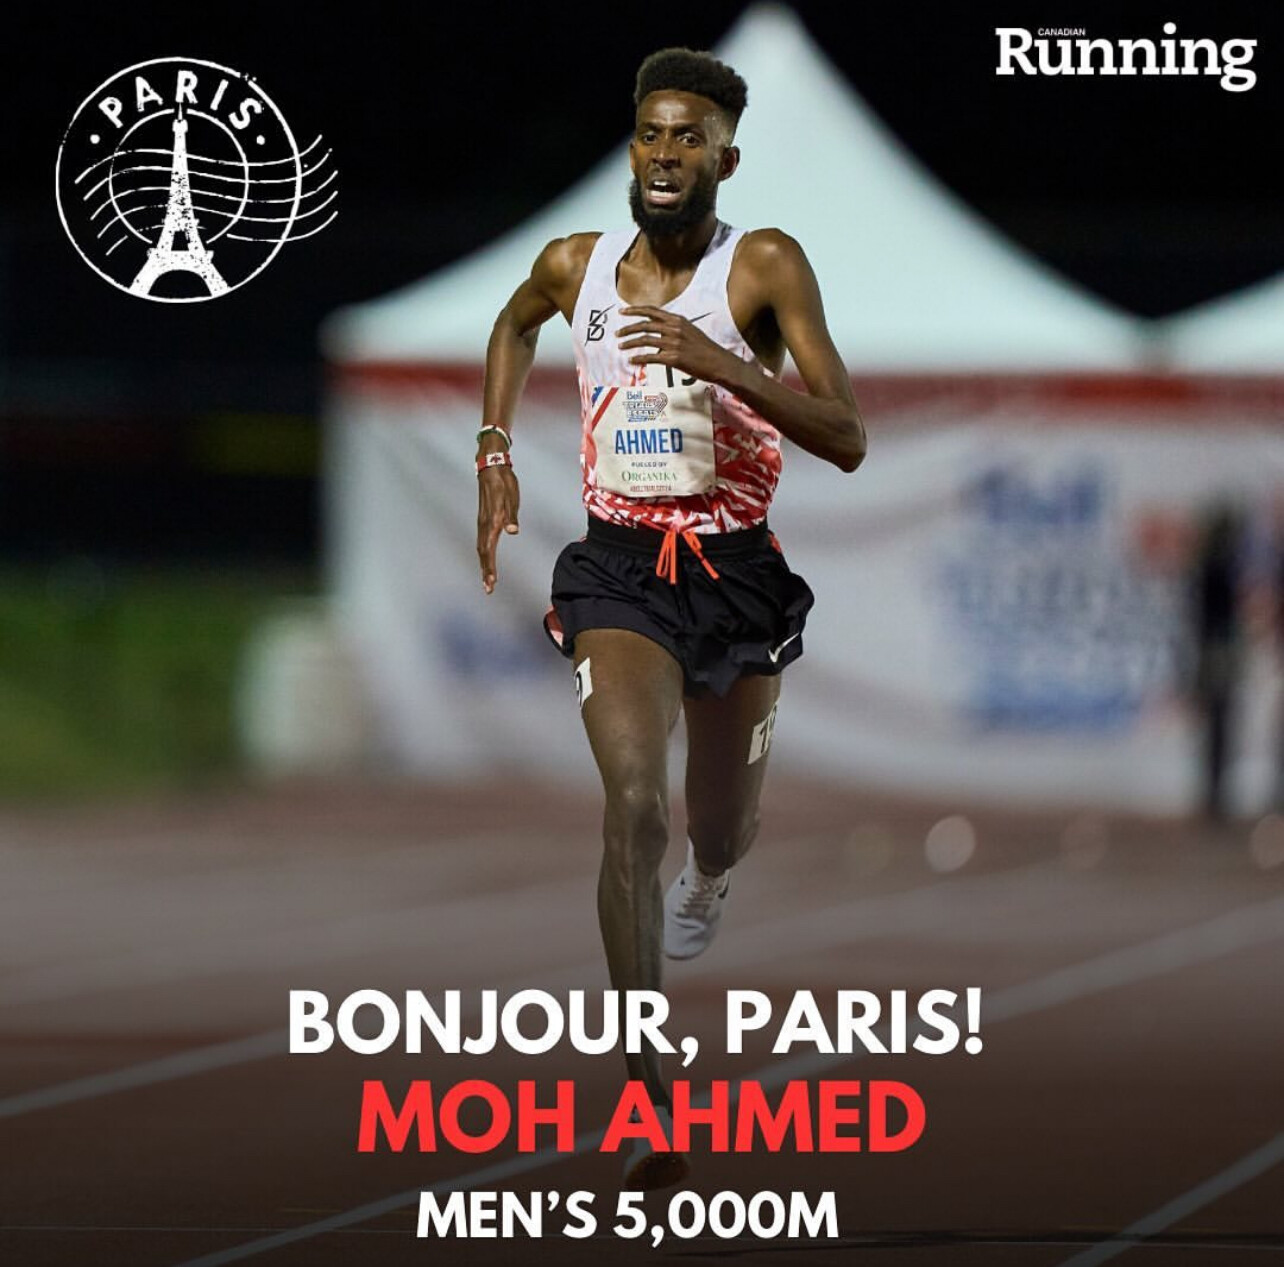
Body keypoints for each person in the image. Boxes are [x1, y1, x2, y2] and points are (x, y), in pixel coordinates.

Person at [475, 47, 865, 1188]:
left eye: (689, 138)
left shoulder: (764, 265)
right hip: (621, 573)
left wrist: (722, 364)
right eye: (650, 133)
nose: (664, 154)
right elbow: (513, 324)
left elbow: (846, 434)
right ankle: (651, 1092)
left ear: (723, 161)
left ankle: (712, 876)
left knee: (716, 829)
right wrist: (494, 450)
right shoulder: (576, 264)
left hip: (735, 575)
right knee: (634, 809)